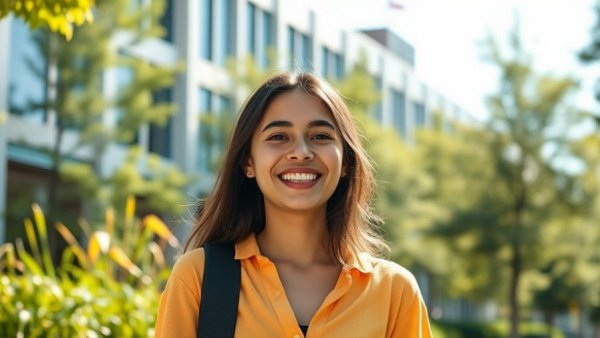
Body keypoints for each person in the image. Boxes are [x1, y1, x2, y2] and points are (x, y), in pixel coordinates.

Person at [155, 71, 433, 337]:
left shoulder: (394, 292)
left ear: (346, 161)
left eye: (320, 136)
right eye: (278, 137)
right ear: (248, 162)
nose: (301, 152)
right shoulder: (198, 277)